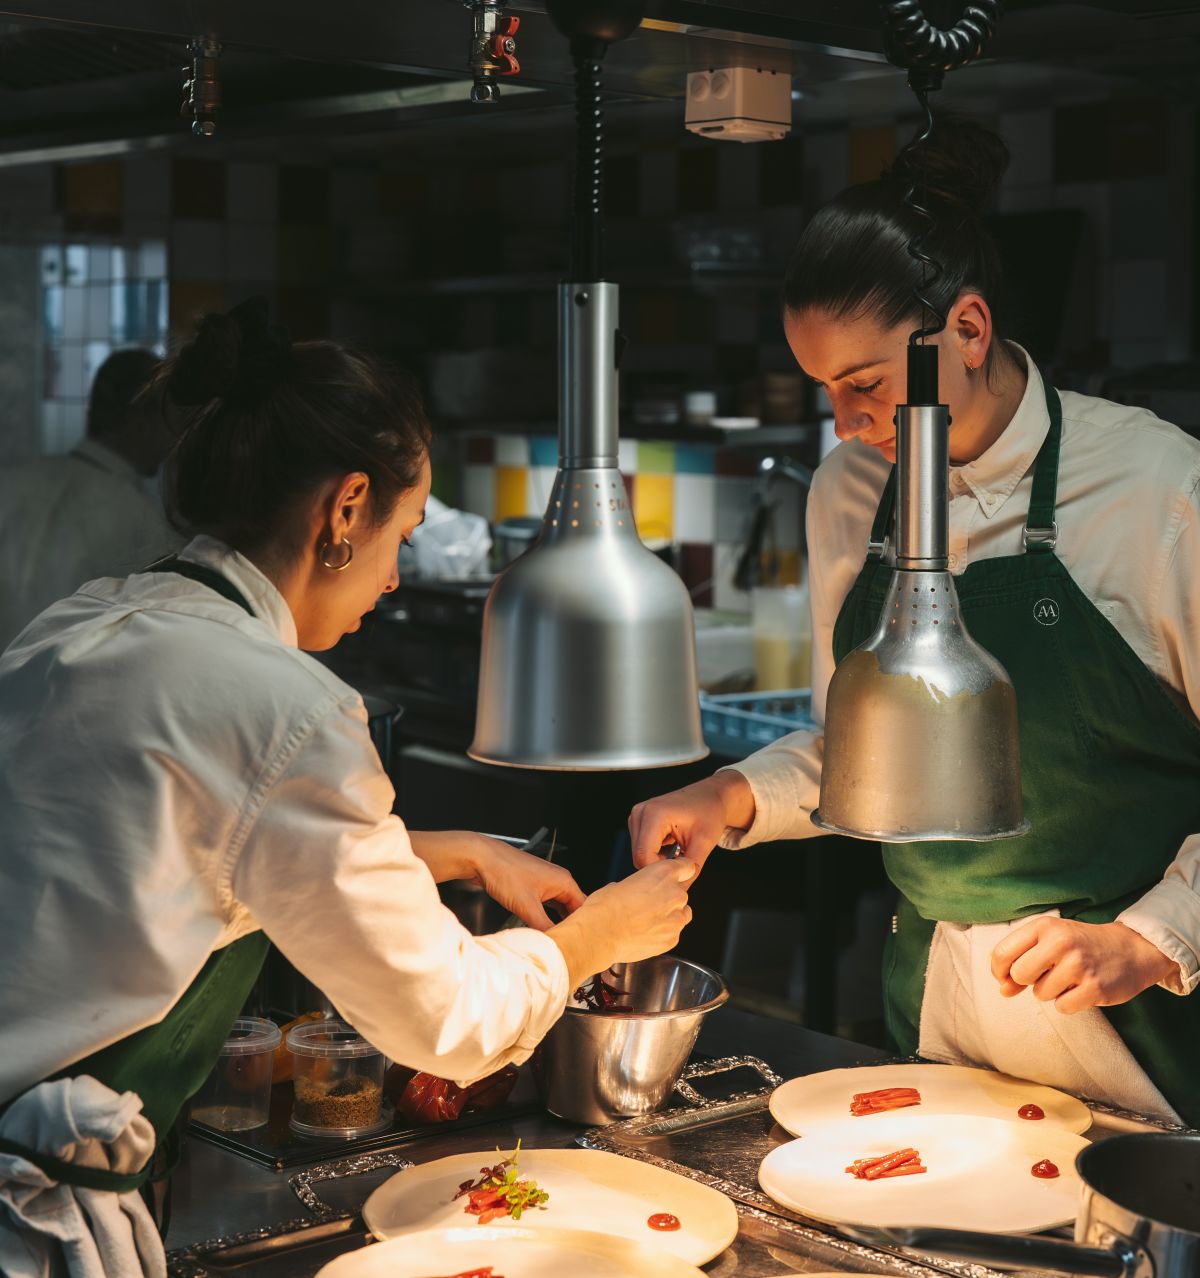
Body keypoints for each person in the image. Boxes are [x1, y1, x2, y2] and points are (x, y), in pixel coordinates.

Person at [0, 299, 695, 1277]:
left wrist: (460, 854)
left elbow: (162, 859)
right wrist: (600, 937)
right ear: (346, 508)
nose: (396, 578)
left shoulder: (85, 622)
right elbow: (448, 1022)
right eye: (404, 534)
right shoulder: (285, 706)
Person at [630, 117, 1200, 1127]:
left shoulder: (1156, 489)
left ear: (968, 331)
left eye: (867, 385)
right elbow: (868, 749)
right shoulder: (850, 490)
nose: (846, 424)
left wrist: (1153, 939)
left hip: (1138, 1024)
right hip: (943, 1014)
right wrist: (732, 796)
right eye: (827, 391)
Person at [0, 347, 181, 651]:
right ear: (140, 417)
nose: (174, 436)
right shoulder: (142, 522)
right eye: (169, 418)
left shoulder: (11, 484)